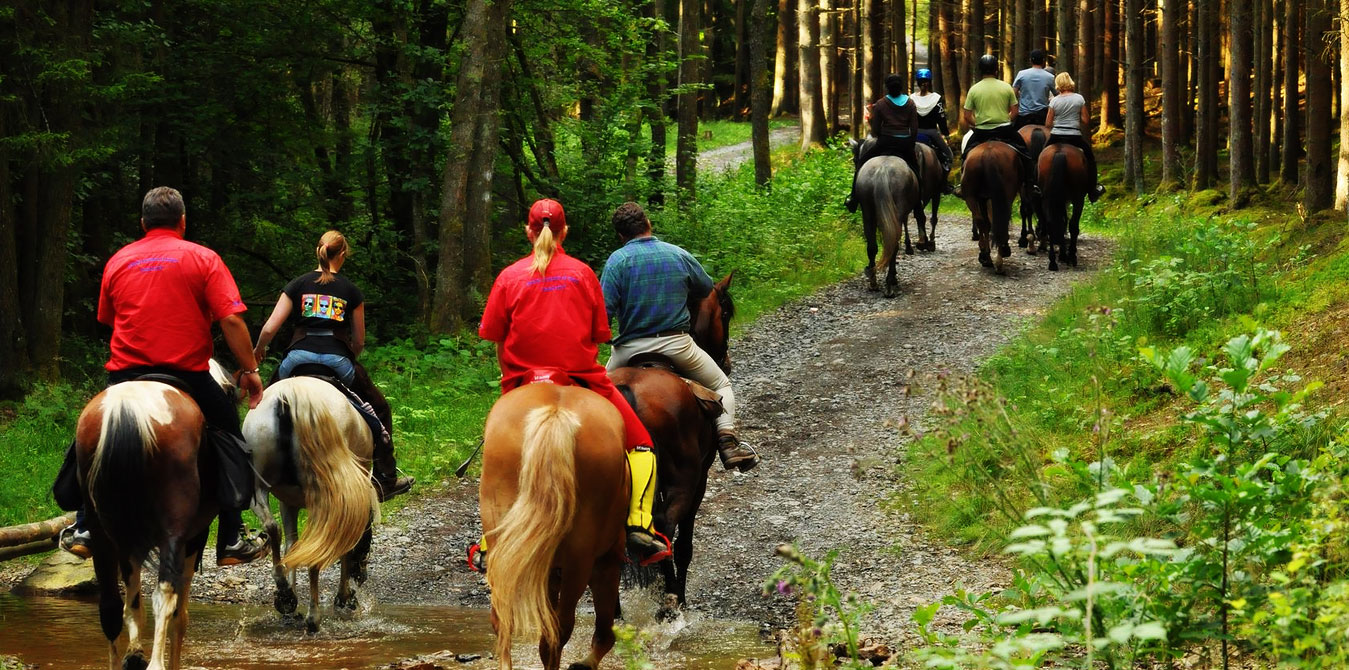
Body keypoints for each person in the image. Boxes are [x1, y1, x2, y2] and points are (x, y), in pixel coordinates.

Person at [56, 187, 269, 566]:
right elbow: (231, 319)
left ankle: (86, 523)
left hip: (126, 376)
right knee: (230, 435)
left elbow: (107, 318)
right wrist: (250, 370)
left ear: (142, 223)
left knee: (87, 435)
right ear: (183, 221)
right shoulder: (203, 258)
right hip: (186, 374)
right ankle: (233, 537)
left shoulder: (118, 260)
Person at [477, 198, 669, 566]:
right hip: (582, 379)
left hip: (523, 383)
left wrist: (513, 378)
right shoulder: (582, 274)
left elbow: (499, 341)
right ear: (565, 231)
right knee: (642, 446)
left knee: (495, 456)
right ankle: (639, 527)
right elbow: (599, 335)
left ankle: (490, 541)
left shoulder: (508, 276)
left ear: (528, 231)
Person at [252, 230, 414, 501]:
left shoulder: (298, 284)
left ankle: (251, 471)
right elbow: (359, 340)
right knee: (379, 409)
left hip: (296, 360)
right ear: (342, 255)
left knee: (261, 406)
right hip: (337, 361)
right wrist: (352, 355)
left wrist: (259, 349)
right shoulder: (350, 290)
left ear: (318, 250)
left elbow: (269, 328)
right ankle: (386, 477)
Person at [601, 202, 759, 472]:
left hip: (628, 349)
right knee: (722, 385)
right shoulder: (677, 255)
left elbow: (604, 314)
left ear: (621, 236)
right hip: (675, 344)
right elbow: (705, 289)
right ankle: (727, 442)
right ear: (648, 223)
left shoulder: (617, 261)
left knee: (593, 396)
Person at [957, 54, 1038, 196]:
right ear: (996, 70)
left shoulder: (974, 89)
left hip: (982, 131)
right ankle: (1030, 184)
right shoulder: (1006, 88)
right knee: (1025, 153)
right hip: (1004, 130)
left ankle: (962, 185)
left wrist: (978, 124)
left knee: (965, 155)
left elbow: (967, 115)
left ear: (981, 70)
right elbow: (1015, 111)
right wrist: (1006, 120)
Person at [845, 73, 919, 212]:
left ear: (887, 88)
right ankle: (918, 204)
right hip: (904, 145)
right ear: (901, 87)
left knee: (861, 162)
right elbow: (914, 129)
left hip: (885, 142)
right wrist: (909, 143)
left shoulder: (880, 104)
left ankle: (853, 198)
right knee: (916, 171)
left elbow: (875, 130)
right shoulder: (910, 103)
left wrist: (883, 136)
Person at [1045, 72, 1106, 202]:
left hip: (1056, 136)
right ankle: (1093, 188)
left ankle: (1036, 185)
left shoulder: (1054, 100)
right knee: (1090, 158)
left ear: (1058, 84)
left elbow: (1048, 123)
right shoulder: (1079, 98)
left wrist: (1059, 122)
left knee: (1040, 156)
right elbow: (1086, 120)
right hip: (1074, 136)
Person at [911, 67, 955, 190]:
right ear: (929, 81)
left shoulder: (911, 99)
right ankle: (944, 184)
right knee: (948, 156)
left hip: (915, 133)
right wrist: (946, 136)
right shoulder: (936, 99)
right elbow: (941, 120)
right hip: (932, 133)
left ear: (917, 82)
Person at [1012, 49, 1057, 129]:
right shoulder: (1050, 77)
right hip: (1042, 116)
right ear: (1043, 61)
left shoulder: (1021, 74)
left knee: (1014, 139)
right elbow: (1057, 95)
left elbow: (1013, 93)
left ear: (1030, 60)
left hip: (1024, 116)